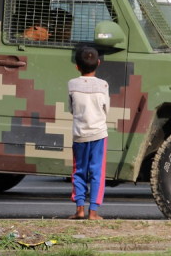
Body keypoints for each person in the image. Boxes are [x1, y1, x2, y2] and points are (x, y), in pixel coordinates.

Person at [68, 46, 109, 220]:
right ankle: (93, 212)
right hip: (99, 135)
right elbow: (106, 108)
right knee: (97, 172)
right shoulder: (103, 85)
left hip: (79, 135)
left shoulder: (72, 84)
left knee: (79, 171)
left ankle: (79, 210)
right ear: (98, 63)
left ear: (77, 66)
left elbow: (71, 108)